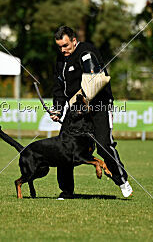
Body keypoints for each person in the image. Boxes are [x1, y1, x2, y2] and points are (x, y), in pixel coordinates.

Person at [51, 26, 133, 199]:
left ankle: (122, 180)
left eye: (65, 45)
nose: (63, 50)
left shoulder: (87, 51)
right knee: (63, 148)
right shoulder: (60, 60)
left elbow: (96, 79)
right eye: (59, 47)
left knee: (104, 145)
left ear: (74, 40)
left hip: (99, 106)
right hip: (76, 110)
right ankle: (66, 191)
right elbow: (59, 88)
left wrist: (85, 100)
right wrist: (57, 109)